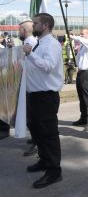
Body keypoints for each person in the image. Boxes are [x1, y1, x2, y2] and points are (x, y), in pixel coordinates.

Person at [23, 13, 63, 189]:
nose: (33, 26)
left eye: (36, 23)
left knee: (48, 135)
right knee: (38, 132)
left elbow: (48, 66)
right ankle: (44, 161)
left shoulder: (52, 44)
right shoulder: (40, 43)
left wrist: (30, 54)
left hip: (46, 96)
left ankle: (54, 171)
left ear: (45, 25)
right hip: (35, 95)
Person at [71, 28, 88, 131]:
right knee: (81, 96)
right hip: (80, 72)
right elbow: (79, 58)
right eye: (80, 34)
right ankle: (83, 118)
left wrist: (74, 37)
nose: (81, 36)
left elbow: (83, 40)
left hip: (87, 73)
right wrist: (76, 64)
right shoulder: (82, 46)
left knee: (87, 97)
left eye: (83, 34)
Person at [18, 20, 39, 156]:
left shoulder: (30, 43)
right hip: (28, 83)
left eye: (19, 30)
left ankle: (37, 143)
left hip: (31, 84)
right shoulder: (29, 42)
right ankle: (35, 139)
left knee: (32, 116)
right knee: (30, 115)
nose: (18, 32)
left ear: (24, 31)